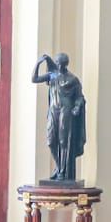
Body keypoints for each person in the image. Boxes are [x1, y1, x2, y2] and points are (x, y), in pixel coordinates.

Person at [31, 52, 87, 183]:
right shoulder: (52, 76)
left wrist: (77, 107)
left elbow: (80, 97)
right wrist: (38, 63)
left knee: (63, 141)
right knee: (51, 141)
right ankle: (59, 166)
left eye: (60, 63)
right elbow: (34, 79)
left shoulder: (73, 79)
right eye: (57, 63)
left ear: (65, 64)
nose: (58, 65)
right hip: (53, 110)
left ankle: (62, 171)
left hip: (65, 110)